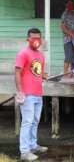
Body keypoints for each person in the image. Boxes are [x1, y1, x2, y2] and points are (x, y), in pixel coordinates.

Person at [15, 28, 48, 161]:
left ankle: (33, 145)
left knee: (35, 121)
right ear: (28, 39)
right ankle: (24, 152)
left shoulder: (41, 55)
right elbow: (17, 72)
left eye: (38, 38)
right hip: (27, 94)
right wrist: (20, 91)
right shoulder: (23, 53)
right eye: (33, 38)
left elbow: (38, 73)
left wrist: (45, 76)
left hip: (38, 93)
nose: (36, 41)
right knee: (27, 122)